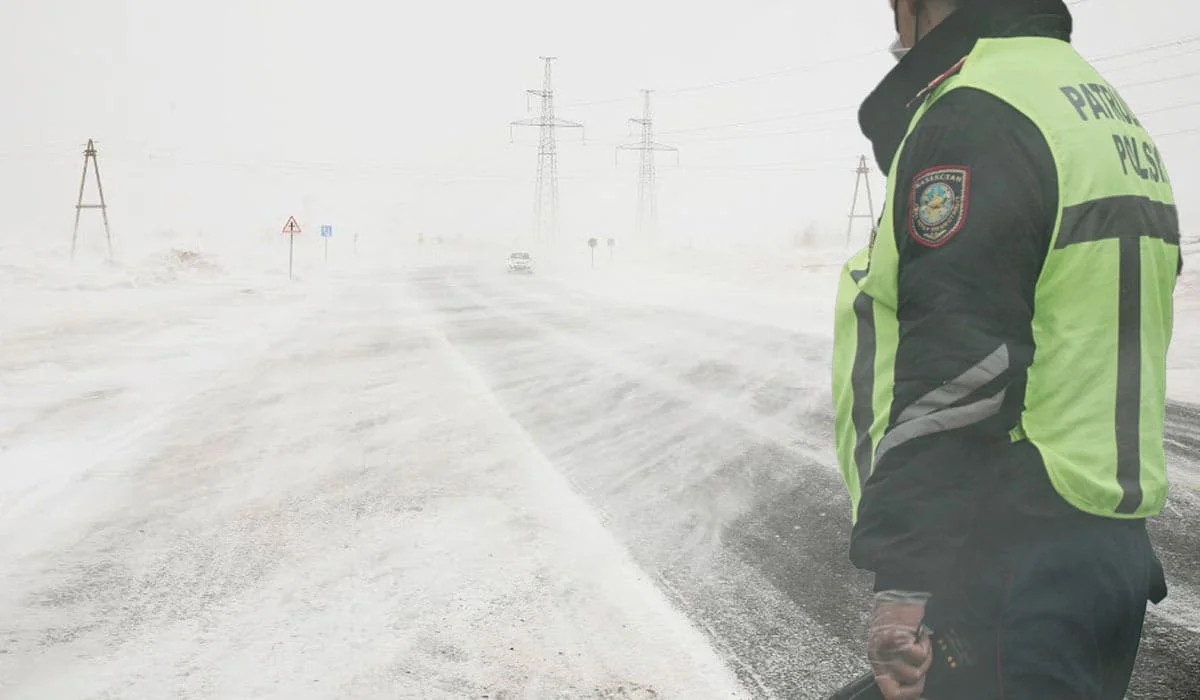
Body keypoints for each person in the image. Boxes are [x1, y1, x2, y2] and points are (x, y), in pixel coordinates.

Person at [830, 0, 1180, 698]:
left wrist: (904, 581)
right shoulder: (1095, 109)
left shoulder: (977, 112)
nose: (895, 28)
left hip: (1005, 552)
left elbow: (960, 369)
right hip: (1099, 549)